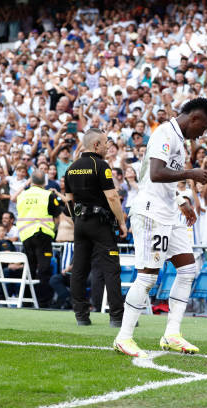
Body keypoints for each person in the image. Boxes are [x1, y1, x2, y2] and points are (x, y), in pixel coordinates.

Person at [114, 97, 207, 358]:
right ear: (194, 119)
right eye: (202, 128)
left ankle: (172, 333)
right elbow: (156, 174)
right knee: (147, 276)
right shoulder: (164, 134)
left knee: (187, 269)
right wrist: (191, 173)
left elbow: (167, 184)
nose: (201, 134)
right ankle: (124, 337)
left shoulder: (180, 141)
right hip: (151, 214)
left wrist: (182, 200)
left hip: (169, 212)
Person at [64, 128, 127, 326]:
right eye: (106, 142)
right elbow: (112, 196)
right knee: (111, 269)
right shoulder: (101, 165)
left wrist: (77, 221)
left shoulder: (71, 168)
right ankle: (117, 317)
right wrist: (122, 222)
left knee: (79, 270)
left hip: (80, 223)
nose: (108, 146)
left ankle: (81, 316)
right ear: (96, 145)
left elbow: (69, 200)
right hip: (100, 223)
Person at [16, 169, 62, 307]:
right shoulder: (48, 195)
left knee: (29, 267)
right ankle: (43, 301)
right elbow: (57, 218)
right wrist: (52, 230)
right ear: (45, 182)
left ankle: (27, 299)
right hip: (43, 234)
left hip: (25, 234)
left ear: (31, 180)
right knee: (44, 268)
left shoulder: (22, 195)